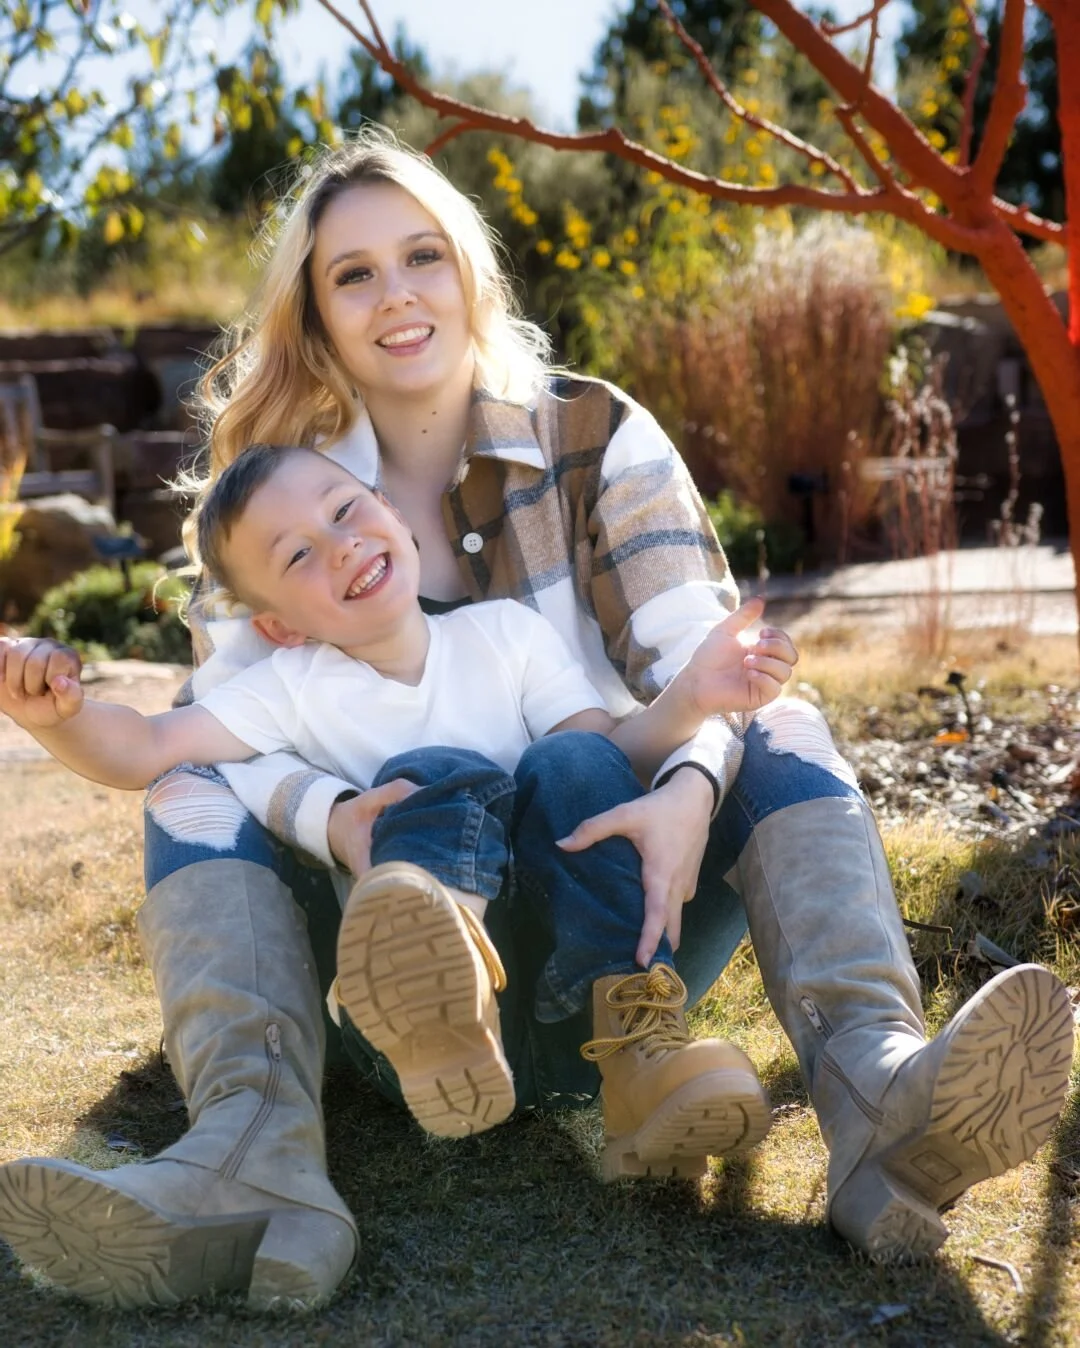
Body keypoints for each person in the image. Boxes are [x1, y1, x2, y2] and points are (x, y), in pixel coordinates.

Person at [0, 130, 1071, 1313]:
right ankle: (251, 1157)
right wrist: (333, 817)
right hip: (394, 973)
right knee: (192, 786)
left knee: (784, 726)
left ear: (471, 271)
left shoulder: (596, 437)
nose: (397, 295)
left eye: (422, 256)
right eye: (353, 274)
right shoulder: (276, 503)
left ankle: (878, 1098)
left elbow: (705, 670)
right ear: (314, 312)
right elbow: (208, 740)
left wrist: (687, 790)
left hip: (619, 926)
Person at [0, 442, 797, 1155]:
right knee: (432, 771)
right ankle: (441, 987)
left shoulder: (508, 636)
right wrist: (56, 716)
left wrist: (690, 698)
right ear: (278, 626)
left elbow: (610, 761)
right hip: (419, 1052)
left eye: (347, 510)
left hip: (578, 1010)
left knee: (572, 757)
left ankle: (641, 1055)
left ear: (394, 514)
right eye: (299, 554)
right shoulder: (291, 689)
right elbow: (147, 747)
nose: (342, 544)